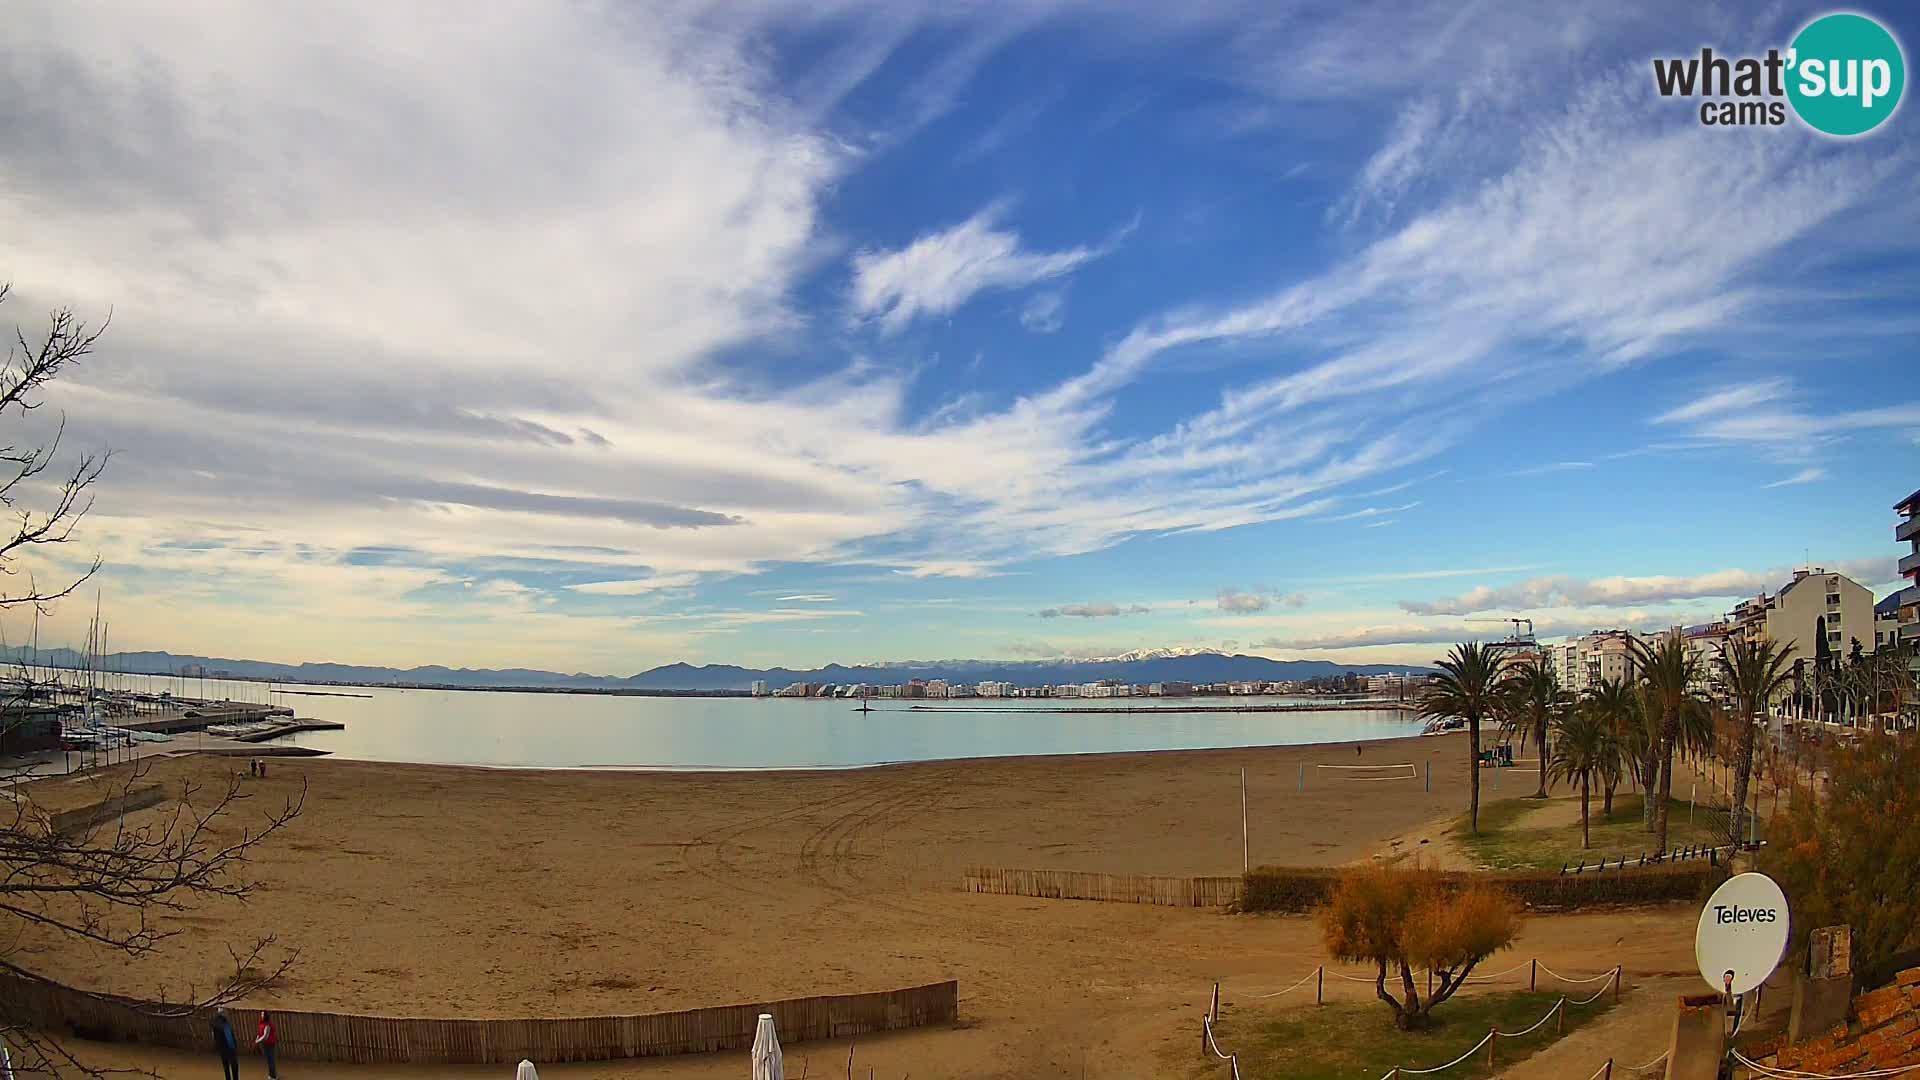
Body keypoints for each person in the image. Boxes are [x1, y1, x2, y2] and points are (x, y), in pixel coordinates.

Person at [210, 1007, 240, 1080]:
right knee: (234, 1066)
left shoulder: (214, 1025)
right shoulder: (225, 1025)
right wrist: (234, 1047)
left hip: (221, 1049)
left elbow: (213, 1036)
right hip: (229, 1049)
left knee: (226, 1067)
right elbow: (229, 1038)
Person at [254, 1011, 279, 1079]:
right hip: (265, 1044)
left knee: (270, 1059)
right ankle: (271, 1074)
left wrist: (257, 1041)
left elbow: (265, 1036)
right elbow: (260, 1033)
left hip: (269, 1044)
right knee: (268, 1059)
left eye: (262, 1015)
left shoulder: (268, 1025)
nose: (261, 1016)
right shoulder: (262, 1024)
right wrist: (257, 1039)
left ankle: (273, 1075)